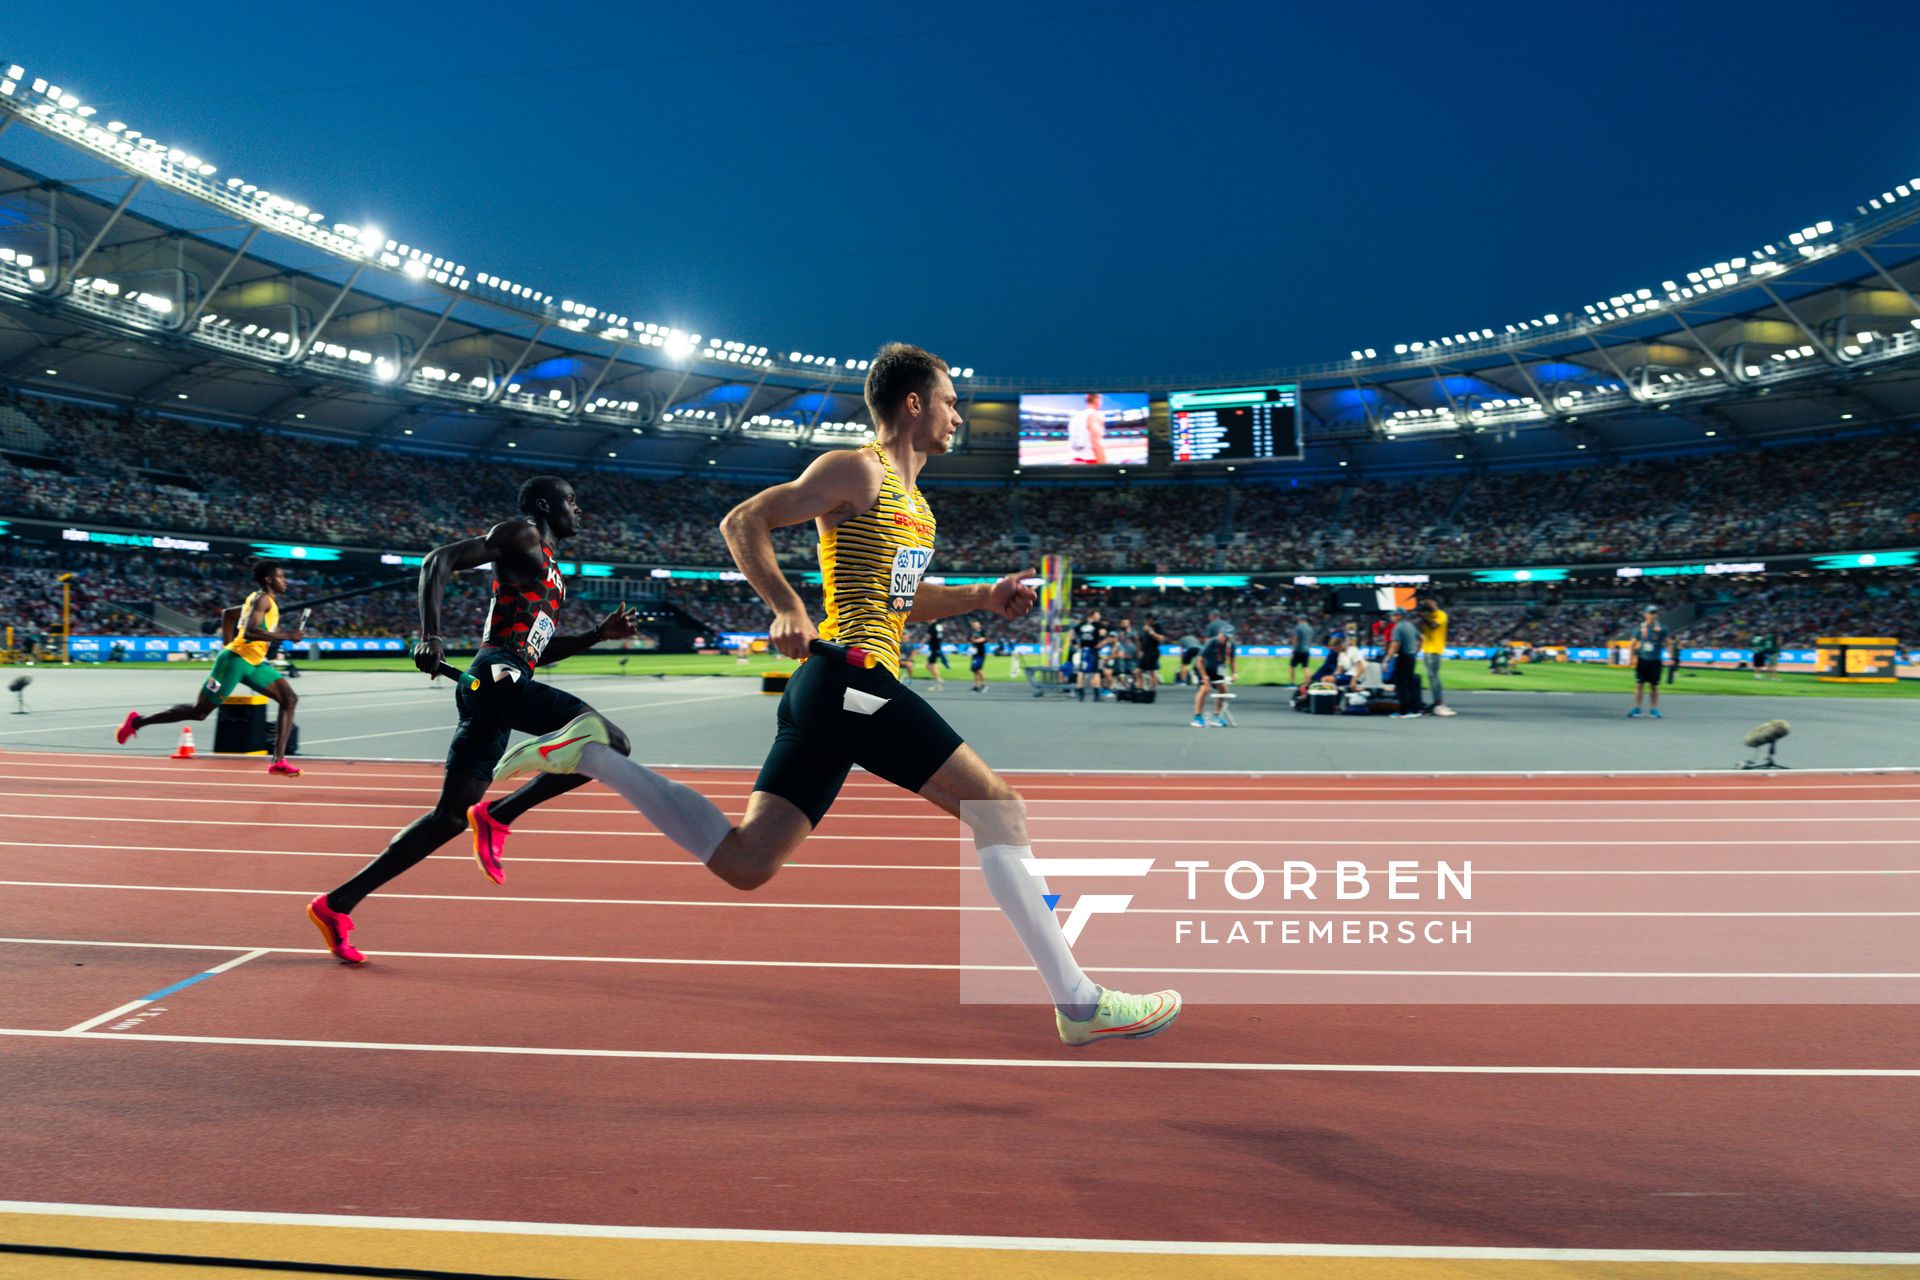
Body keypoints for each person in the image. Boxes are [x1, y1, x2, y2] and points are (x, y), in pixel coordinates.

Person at [497, 344, 1178, 1046]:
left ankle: (594, 757)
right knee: (999, 811)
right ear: (913, 404)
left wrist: (984, 594)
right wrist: (786, 604)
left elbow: (902, 602)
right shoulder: (859, 467)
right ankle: (1079, 1000)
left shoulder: (918, 506)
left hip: (831, 693)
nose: (957, 416)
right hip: (849, 678)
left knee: (746, 861)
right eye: (948, 401)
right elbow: (743, 521)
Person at [304, 477, 645, 963]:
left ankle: (336, 905)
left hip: (503, 681)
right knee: (611, 741)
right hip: (495, 676)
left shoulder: (552, 570)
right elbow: (436, 560)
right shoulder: (521, 534)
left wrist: (596, 635)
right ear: (547, 504)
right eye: (571, 501)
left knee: (447, 818)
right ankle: (498, 814)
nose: (579, 510)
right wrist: (431, 635)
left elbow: (537, 652)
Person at [115, 560, 306, 776]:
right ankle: (137, 722)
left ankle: (278, 761)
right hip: (234, 662)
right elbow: (250, 632)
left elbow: (228, 615)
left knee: (289, 699)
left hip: (252, 662)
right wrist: (287, 636)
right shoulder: (262, 600)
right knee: (199, 712)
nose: (285, 581)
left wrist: (227, 642)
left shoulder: (258, 600)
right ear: (269, 579)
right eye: (281, 577)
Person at [1415, 593, 1456, 717]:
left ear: (1434, 602)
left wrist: (1423, 616)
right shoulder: (1428, 615)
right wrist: (1422, 616)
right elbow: (1421, 629)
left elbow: (1433, 625)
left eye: (1428, 602)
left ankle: (1439, 703)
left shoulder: (1440, 614)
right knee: (1431, 676)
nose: (1426, 604)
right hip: (1427, 649)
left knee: (1433, 676)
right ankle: (1437, 703)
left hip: (1434, 649)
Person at [1629, 605, 1671, 718]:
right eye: (1650, 613)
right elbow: (1632, 644)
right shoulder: (1639, 628)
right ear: (1645, 615)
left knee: (1654, 686)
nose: (1652, 616)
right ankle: (1637, 708)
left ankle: (1654, 708)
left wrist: (1671, 658)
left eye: (1654, 613)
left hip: (1655, 660)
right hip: (1642, 660)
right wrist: (1631, 657)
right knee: (1639, 684)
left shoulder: (1662, 628)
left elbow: (1668, 643)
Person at [1191, 624, 1234, 728]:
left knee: (1223, 689)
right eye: (1224, 636)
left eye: (1228, 637)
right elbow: (1199, 660)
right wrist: (1204, 676)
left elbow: (1231, 660)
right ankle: (1197, 717)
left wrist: (1234, 673)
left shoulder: (1231, 645)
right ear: (1220, 634)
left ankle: (1217, 716)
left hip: (1217, 670)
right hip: (1203, 668)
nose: (1226, 639)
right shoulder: (1212, 642)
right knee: (1205, 688)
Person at [1384, 608, 1424, 718]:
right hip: (1411, 656)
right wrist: (1416, 651)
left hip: (1403, 656)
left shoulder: (1398, 628)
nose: (1391, 617)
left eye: (1394, 615)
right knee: (1410, 682)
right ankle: (1414, 709)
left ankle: (1404, 710)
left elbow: (1395, 645)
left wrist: (1387, 659)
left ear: (1399, 616)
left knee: (1401, 684)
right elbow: (1421, 638)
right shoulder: (1410, 626)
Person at [1075, 609, 1111, 701]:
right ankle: (1096, 695)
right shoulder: (1097, 625)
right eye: (1098, 614)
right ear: (1093, 615)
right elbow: (1104, 634)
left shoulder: (1082, 625)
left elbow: (1072, 632)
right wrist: (1102, 642)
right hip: (1093, 650)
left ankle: (1081, 695)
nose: (1099, 616)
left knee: (1081, 672)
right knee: (1096, 672)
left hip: (1084, 650)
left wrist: (1075, 643)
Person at [1067, 391, 1108, 465]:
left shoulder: (1075, 417)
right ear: (1097, 400)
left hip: (1074, 463)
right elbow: (1096, 444)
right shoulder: (1094, 415)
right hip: (1090, 463)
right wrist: (1105, 467)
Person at [1138, 616, 1164, 691]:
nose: (1145, 621)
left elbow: (1161, 638)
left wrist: (1150, 631)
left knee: (1152, 672)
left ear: (1150, 620)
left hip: (1153, 652)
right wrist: (1141, 651)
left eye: (1147, 620)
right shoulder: (1145, 628)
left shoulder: (1157, 627)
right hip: (1145, 652)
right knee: (1138, 671)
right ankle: (1141, 688)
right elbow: (1143, 641)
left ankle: (1153, 690)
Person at [924, 619, 948, 691]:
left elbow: (929, 636)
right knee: (930, 665)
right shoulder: (939, 626)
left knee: (931, 665)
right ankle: (938, 681)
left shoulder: (931, 626)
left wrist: (923, 642)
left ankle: (939, 681)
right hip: (937, 647)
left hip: (934, 648)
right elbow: (940, 636)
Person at [969, 620, 990, 692]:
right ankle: (976, 686)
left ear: (979, 625)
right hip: (975, 653)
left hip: (980, 653)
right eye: (973, 624)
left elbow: (983, 639)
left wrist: (975, 640)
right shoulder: (973, 632)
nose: (974, 626)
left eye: (976, 624)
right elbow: (970, 639)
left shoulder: (982, 631)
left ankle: (985, 684)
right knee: (975, 670)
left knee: (978, 669)